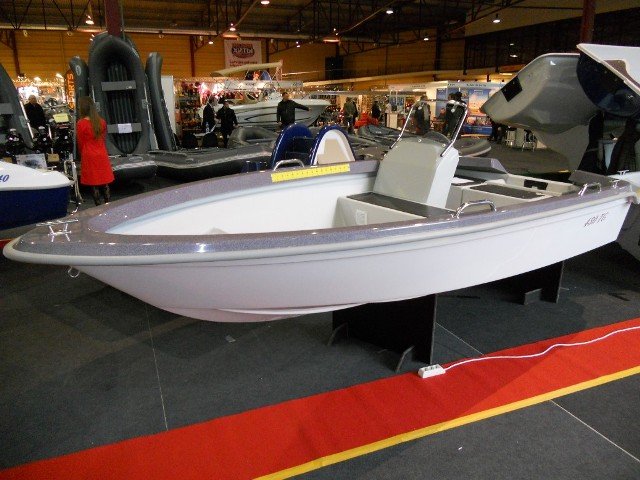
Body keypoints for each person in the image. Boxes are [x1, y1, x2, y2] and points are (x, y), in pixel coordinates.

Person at [75, 96, 114, 205]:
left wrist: (81, 155)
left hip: (89, 155)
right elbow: (103, 139)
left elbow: (80, 142)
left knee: (94, 183)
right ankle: (108, 205)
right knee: (105, 182)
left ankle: (98, 207)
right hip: (102, 154)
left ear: (82, 108)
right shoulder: (102, 122)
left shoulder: (81, 123)